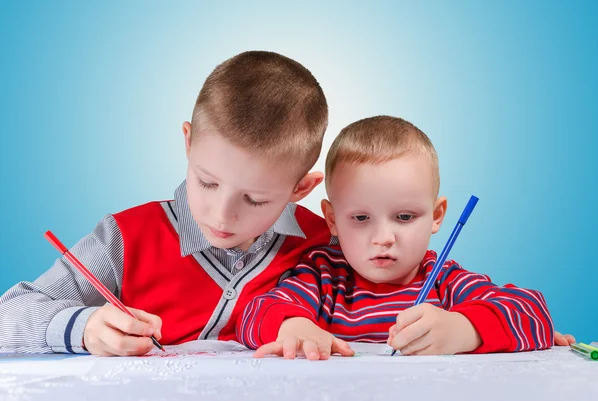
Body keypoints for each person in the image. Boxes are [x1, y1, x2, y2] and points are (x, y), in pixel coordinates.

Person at [0, 51, 333, 356]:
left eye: (253, 199)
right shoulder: (124, 238)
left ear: (301, 187)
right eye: (207, 182)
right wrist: (85, 328)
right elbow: (7, 316)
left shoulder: (326, 242)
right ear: (188, 142)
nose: (221, 215)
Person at [237, 115, 565, 360]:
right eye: (361, 218)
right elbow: (254, 313)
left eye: (404, 217)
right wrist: (293, 327)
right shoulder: (323, 276)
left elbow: (533, 313)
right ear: (333, 219)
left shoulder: (444, 280)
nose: (383, 238)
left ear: (436, 216)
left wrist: (464, 330)